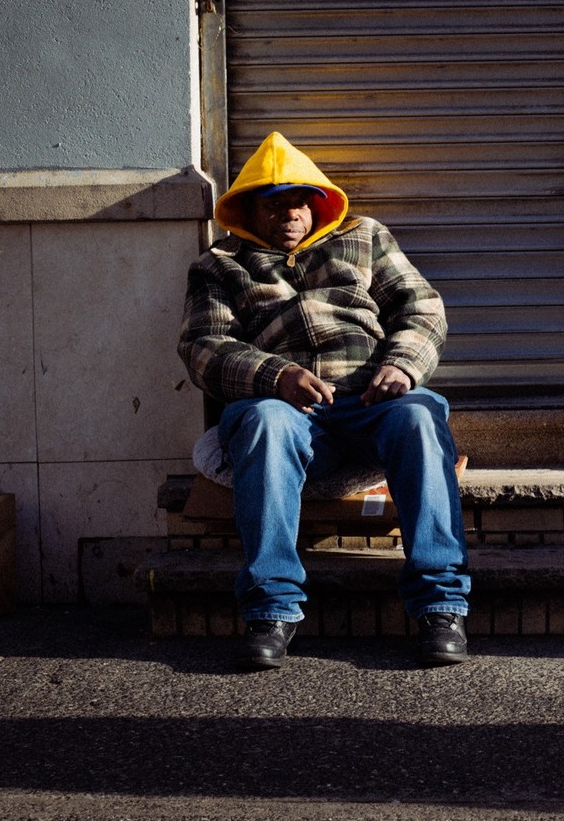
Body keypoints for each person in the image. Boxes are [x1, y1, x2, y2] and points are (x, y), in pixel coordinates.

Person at [179, 131, 470, 670]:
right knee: (264, 422)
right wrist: (276, 376)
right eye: (274, 204)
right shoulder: (220, 265)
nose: (290, 214)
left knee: (421, 417)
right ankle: (272, 612)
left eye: (298, 201)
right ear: (247, 210)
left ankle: (441, 607)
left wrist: (401, 366)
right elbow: (203, 346)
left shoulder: (366, 237)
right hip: (287, 411)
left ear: (316, 203)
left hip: (370, 402)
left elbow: (423, 309)